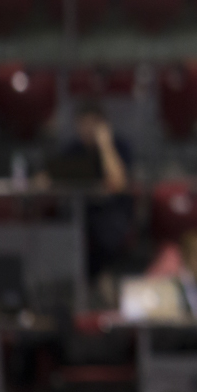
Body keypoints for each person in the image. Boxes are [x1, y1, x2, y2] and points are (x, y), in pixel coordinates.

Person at [47, 100, 133, 279]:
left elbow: (118, 182)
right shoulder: (74, 149)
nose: (86, 129)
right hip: (81, 213)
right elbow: (50, 176)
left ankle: (100, 278)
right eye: (82, 124)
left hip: (111, 214)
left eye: (91, 124)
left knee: (105, 233)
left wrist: (105, 145)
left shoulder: (118, 146)